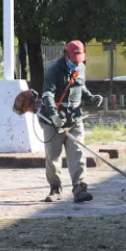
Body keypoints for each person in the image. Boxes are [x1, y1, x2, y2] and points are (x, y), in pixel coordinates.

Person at [39, 40, 103, 203]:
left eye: (79, 59)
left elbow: (80, 86)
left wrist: (90, 97)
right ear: (66, 55)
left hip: (74, 117)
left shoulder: (81, 67)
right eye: (74, 59)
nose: (76, 63)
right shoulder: (54, 69)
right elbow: (47, 95)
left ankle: (79, 188)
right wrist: (53, 115)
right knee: (53, 155)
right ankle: (55, 188)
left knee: (77, 152)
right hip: (53, 118)